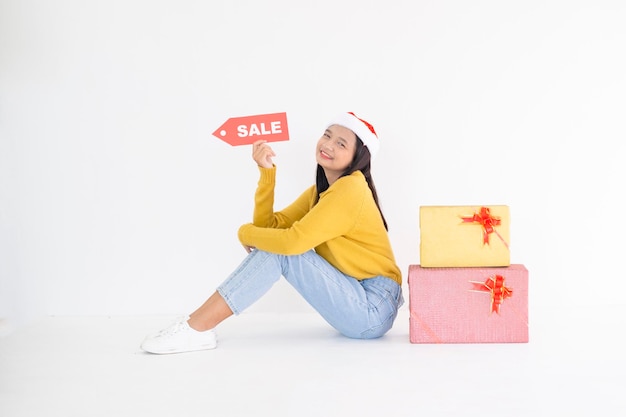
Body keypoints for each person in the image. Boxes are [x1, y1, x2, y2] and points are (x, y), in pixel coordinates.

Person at [140, 112, 403, 354]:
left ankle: (197, 327)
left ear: (358, 157)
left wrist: (245, 233)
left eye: (341, 144)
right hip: (358, 300)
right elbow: (271, 228)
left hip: (372, 306)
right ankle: (195, 325)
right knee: (279, 248)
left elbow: (291, 243)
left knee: (285, 251)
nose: (328, 144)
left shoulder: (351, 189)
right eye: (327, 135)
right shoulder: (321, 193)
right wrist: (267, 174)